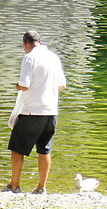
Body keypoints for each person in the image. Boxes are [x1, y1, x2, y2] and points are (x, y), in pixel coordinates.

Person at [7, 30, 67, 194]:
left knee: (17, 149)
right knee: (44, 149)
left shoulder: (29, 58)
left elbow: (24, 85)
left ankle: (14, 186)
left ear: (26, 44)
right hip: (51, 111)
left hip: (31, 111)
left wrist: (17, 85)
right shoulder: (53, 57)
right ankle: (41, 188)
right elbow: (62, 86)